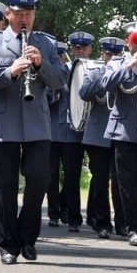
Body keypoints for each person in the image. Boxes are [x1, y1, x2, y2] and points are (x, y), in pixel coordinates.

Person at [0, 0, 67, 264]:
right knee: (5, 187)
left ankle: (28, 237)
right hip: (2, 123)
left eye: (29, 14)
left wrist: (40, 64)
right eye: (20, 14)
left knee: (39, 180)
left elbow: (60, 79)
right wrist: (9, 72)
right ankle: (8, 243)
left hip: (37, 123)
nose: (25, 19)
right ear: (8, 14)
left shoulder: (46, 43)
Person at [103, 28, 137, 247]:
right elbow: (106, 84)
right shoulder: (117, 63)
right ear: (128, 43)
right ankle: (134, 227)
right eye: (136, 41)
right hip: (124, 132)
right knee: (128, 184)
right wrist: (130, 65)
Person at [79, 37, 124, 239]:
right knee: (100, 180)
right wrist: (104, 76)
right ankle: (102, 222)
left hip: (121, 133)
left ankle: (123, 223)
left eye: (116, 54)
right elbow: (84, 93)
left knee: (121, 181)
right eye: (108, 54)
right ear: (102, 54)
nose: (111, 57)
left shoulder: (126, 72)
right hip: (98, 135)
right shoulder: (94, 72)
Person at [59, 31, 94, 232]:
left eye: (84, 47)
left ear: (90, 49)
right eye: (77, 47)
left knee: (98, 174)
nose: (80, 51)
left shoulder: (96, 68)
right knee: (71, 175)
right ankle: (74, 218)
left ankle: (95, 215)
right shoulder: (65, 70)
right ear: (72, 49)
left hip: (92, 128)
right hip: (70, 129)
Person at [45, 41, 70, 227]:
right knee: (51, 175)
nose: (60, 59)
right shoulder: (48, 75)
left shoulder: (73, 72)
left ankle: (65, 207)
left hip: (69, 132)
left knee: (70, 175)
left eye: (61, 56)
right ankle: (53, 213)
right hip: (51, 131)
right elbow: (46, 99)